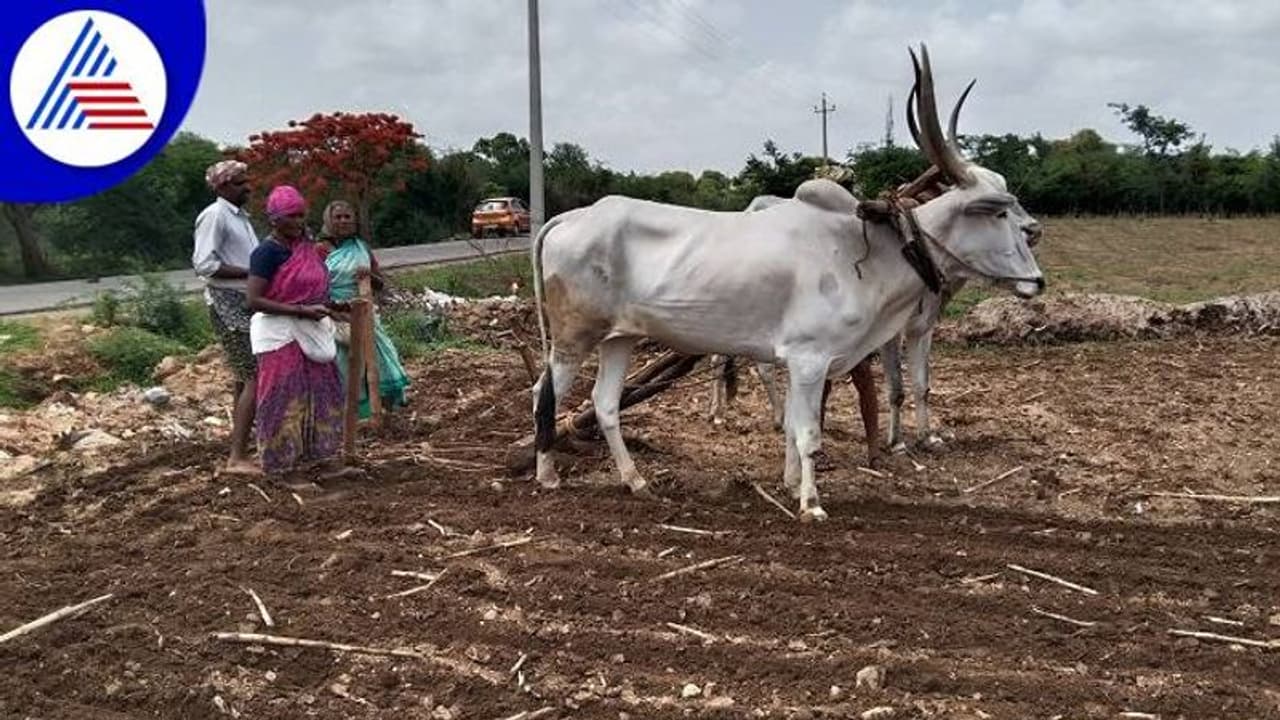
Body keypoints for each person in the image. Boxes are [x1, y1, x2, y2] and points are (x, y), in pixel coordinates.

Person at [245, 185, 347, 475]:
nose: (300, 222)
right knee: (284, 399)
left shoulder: (306, 249)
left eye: (302, 215)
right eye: (293, 216)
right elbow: (253, 300)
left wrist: (333, 306)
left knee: (322, 393)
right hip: (280, 335)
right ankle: (283, 468)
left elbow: (313, 289)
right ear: (275, 219)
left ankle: (319, 459)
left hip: (311, 328)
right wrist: (300, 310)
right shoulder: (266, 253)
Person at [192, 160, 260, 476]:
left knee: (242, 377)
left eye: (246, 181)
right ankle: (236, 458)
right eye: (239, 183)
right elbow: (205, 265)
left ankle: (241, 446)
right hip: (228, 304)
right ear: (221, 186)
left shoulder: (240, 218)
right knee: (254, 377)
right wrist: (253, 272)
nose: (247, 187)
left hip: (244, 302)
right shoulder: (215, 216)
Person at [318, 200, 411, 420]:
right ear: (328, 221)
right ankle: (350, 417)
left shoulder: (361, 247)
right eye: (337, 217)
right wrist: (335, 308)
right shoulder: (319, 250)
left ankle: (383, 413)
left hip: (365, 313)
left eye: (347, 216)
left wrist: (368, 277)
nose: (343, 221)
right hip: (336, 317)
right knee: (345, 367)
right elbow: (314, 287)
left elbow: (380, 282)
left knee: (380, 361)